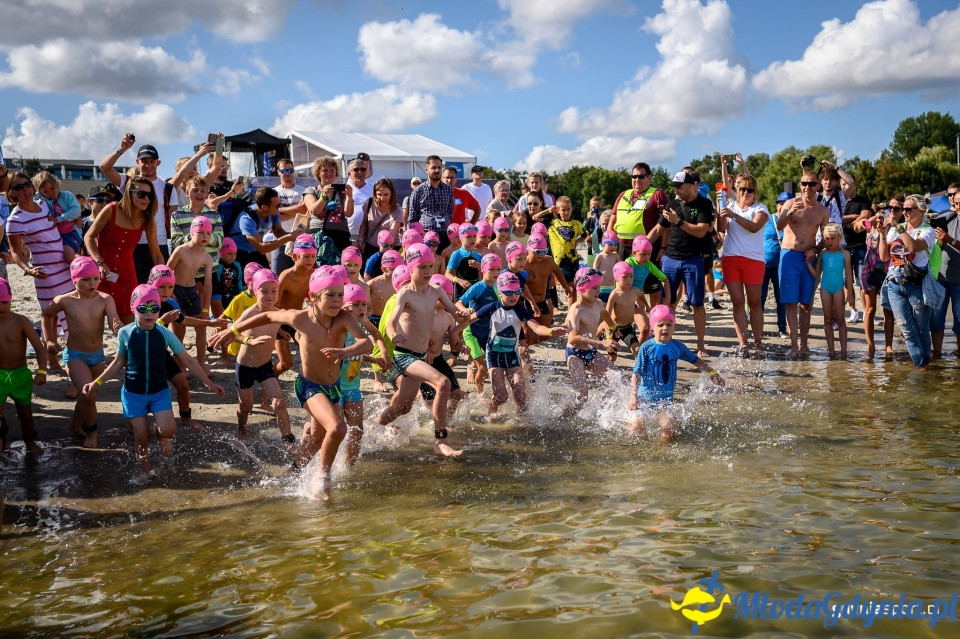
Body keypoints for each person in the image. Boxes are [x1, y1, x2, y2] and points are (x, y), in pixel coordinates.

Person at [210, 266, 372, 500]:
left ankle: (294, 470)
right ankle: (322, 480)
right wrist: (233, 329)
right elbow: (267, 315)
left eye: (340, 294)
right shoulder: (300, 318)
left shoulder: (344, 318)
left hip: (334, 387)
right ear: (313, 297)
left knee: (317, 438)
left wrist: (344, 351)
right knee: (338, 428)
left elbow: (366, 343)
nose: (337, 300)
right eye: (330, 295)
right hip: (309, 388)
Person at [83, 285, 224, 474]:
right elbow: (118, 363)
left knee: (168, 430)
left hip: (159, 392)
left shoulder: (164, 333)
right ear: (133, 308)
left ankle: (162, 437)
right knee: (142, 437)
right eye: (143, 308)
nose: (149, 313)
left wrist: (209, 383)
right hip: (134, 393)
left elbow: (187, 359)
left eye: (154, 308)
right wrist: (97, 382)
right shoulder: (126, 333)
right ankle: (144, 471)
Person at [372, 244, 469, 458]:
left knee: (403, 407)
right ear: (411, 268)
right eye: (422, 267)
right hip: (404, 355)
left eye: (430, 266)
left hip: (420, 355)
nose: (428, 271)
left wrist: (465, 313)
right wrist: (393, 334)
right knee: (442, 383)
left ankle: (372, 427)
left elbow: (454, 311)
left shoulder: (436, 291)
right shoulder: (405, 294)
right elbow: (391, 322)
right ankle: (440, 440)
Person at [41, 257, 122, 448]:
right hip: (75, 355)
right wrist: (49, 340)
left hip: (98, 355)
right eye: (86, 279)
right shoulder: (64, 300)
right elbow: (47, 315)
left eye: (95, 278)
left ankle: (75, 425)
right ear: (74, 280)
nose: (92, 283)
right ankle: (92, 432)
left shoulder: (104, 299)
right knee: (89, 393)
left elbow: (114, 321)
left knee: (88, 395)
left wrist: (119, 328)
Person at [467, 271, 567, 421]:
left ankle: (519, 422)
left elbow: (536, 327)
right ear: (499, 292)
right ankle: (494, 406)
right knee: (501, 396)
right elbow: (468, 320)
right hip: (494, 355)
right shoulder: (492, 307)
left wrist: (549, 331)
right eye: (509, 292)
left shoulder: (520, 309)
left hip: (511, 354)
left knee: (521, 395)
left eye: (517, 291)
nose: (514, 296)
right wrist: (456, 336)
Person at [628, 305, 724, 439]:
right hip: (644, 399)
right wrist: (633, 397)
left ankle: (662, 454)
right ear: (652, 328)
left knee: (669, 428)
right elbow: (636, 373)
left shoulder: (677, 347)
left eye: (669, 324)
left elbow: (696, 360)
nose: (665, 328)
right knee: (635, 429)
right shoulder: (646, 347)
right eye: (660, 324)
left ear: (674, 327)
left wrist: (713, 373)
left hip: (665, 401)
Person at [647, 171, 715, 356]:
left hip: (693, 259)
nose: (676, 190)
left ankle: (700, 346)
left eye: (679, 187)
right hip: (670, 258)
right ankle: (659, 341)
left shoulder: (704, 204)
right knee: (665, 302)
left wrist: (678, 221)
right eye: (674, 187)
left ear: (691, 185)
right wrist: (643, 244)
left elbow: (702, 231)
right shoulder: (673, 204)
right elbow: (659, 229)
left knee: (697, 303)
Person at [84, 176, 165, 325]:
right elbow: (89, 237)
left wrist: (163, 279)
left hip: (127, 276)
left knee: (127, 326)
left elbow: (156, 254)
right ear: (129, 193)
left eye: (150, 195)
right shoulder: (111, 209)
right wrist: (99, 263)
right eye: (141, 194)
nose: (146, 198)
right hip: (101, 275)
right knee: (94, 324)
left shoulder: (148, 220)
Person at [99, 136, 179, 281]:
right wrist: (122, 149)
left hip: (159, 243)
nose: (148, 165)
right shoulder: (129, 183)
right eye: (144, 161)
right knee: (132, 287)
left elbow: (173, 220)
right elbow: (105, 168)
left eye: (152, 161)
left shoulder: (167, 188)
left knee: (157, 288)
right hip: (132, 243)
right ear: (137, 162)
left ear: (158, 163)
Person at [5, 172, 75, 335]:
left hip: (65, 267)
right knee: (52, 316)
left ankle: (73, 352)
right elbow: (15, 252)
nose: (26, 189)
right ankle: (53, 359)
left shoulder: (44, 204)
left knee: (72, 311)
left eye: (28, 184)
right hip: (46, 272)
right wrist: (27, 269)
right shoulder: (15, 219)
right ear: (12, 192)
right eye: (19, 187)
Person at [232, 269, 293, 446]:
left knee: (279, 403)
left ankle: (288, 441)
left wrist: (282, 331)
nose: (270, 295)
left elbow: (278, 324)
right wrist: (249, 341)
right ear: (255, 291)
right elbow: (232, 333)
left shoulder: (277, 312)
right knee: (246, 407)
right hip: (245, 367)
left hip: (265, 365)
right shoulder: (250, 314)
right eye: (264, 291)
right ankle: (242, 426)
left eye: (274, 291)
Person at [878, 195, 937, 368]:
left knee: (921, 329)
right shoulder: (897, 228)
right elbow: (883, 257)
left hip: (917, 285)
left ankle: (923, 366)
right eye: (903, 209)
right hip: (895, 284)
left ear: (921, 211)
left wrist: (898, 228)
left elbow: (912, 247)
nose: (904, 212)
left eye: (908, 209)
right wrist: (882, 234)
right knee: (907, 330)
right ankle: (921, 366)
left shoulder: (928, 231)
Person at [776, 170, 830, 358]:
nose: (807, 187)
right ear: (800, 185)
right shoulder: (791, 203)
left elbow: (827, 237)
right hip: (789, 255)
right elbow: (779, 226)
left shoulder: (822, 210)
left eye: (811, 184)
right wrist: (789, 212)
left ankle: (805, 345)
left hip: (808, 257)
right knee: (791, 304)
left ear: (817, 186)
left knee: (806, 304)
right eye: (804, 183)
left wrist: (815, 249)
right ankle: (794, 346)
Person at [716, 174, 769, 356]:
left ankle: (759, 344)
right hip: (731, 259)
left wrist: (734, 216)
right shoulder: (729, 206)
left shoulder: (760, 208)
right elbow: (721, 228)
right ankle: (743, 344)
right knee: (737, 303)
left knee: (754, 303)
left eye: (750, 190)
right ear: (737, 191)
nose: (746, 193)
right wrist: (720, 208)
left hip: (753, 260)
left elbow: (754, 227)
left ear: (755, 193)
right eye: (742, 189)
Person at [338, 284, 388, 468]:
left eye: (364, 304)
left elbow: (372, 337)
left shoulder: (361, 323)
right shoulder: (339, 327)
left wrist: (375, 358)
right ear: (345, 308)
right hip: (334, 386)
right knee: (334, 430)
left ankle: (347, 467)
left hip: (352, 386)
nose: (362, 308)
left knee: (357, 429)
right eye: (356, 304)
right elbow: (341, 353)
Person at [0, 276, 47, 457]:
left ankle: (29, 441)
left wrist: (42, 371)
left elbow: (39, 348)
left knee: (26, 416)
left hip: (20, 375)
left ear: (10, 300)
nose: (1, 306)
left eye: (4, 302)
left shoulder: (20, 321)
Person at [563, 268, 619, 409]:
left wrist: (613, 327)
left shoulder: (598, 303)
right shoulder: (576, 310)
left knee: (617, 380)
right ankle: (561, 420)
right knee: (582, 396)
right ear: (582, 288)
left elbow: (605, 313)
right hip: (575, 355)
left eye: (599, 287)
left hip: (591, 352)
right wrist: (601, 343)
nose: (598, 291)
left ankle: (600, 414)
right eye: (594, 288)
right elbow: (572, 338)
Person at [853, 197, 899, 358]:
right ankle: (871, 345)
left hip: (887, 269)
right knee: (870, 309)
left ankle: (888, 346)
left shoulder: (897, 227)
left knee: (888, 311)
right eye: (888, 207)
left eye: (894, 208)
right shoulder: (873, 224)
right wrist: (874, 217)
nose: (890, 210)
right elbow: (857, 227)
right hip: (869, 268)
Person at [167, 216, 214, 370]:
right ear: (192, 232)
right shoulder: (181, 250)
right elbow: (167, 271)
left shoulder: (207, 257)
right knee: (179, 329)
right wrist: (170, 291)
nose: (205, 236)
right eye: (201, 232)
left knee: (201, 326)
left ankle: (201, 363)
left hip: (192, 291)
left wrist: (206, 309)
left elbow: (208, 284)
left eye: (208, 233)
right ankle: (179, 364)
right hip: (177, 290)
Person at [456, 253, 503, 393]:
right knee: (482, 366)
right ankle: (479, 392)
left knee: (493, 365)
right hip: (471, 331)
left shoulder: (499, 288)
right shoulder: (478, 287)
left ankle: (494, 391)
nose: (495, 273)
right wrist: (465, 310)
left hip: (488, 331)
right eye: (491, 269)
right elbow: (458, 302)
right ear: (482, 270)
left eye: (498, 269)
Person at [807, 224, 856, 358]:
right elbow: (816, 274)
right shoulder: (822, 254)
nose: (829, 242)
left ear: (839, 238)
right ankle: (831, 351)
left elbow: (849, 276)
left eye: (832, 238)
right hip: (825, 289)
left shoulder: (845, 254)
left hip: (839, 289)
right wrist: (807, 264)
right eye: (827, 239)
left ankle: (844, 351)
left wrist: (850, 295)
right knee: (827, 320)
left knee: (840, 320)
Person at [275, 234, 318, 376]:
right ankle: (267, 386)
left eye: (313, 256)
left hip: (297, 321)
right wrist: (280, 330)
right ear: (294, 257)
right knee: (286, 364)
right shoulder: (286, 277)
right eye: (306, 256)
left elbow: (314, 298)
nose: (310, 260)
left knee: (311, 350)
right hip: (280, 321)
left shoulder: (314, 275)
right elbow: (273, 306)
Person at [608, 163, 669, 261]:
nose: (637, 180)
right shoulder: (623, 194)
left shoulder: (658, 194)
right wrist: (609, 244)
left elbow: (666, 224)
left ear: (649, 178)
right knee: (623, 276)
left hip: (647, 249)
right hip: (622, 248)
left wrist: (663, 248)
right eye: (634, 176)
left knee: (645, 276)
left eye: (641, 176)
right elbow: (612, 220)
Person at [232, 187, 299, 268]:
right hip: (238, 254)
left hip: (255, 251)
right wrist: (289, 237)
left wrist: (295, 236)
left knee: (268, 278)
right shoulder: (247, 218)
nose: (280, 207)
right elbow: (262, 248)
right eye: (277, 205)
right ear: (264, 207)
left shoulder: (274, 212)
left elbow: (278, 232)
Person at [930, 186, 960, 358]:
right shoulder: (944, 217)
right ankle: (937, 355)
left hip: (959, 279)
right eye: (956, 203)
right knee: (936, 320)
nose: (958, 207)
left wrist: (949, 239)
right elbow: (934, 245)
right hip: (941, 276)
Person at [302, 157, 354, 253]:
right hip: (319, 233)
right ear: (318, 173)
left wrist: (349, 196)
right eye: (325, 170)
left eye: (331, 170)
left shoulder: (341, 191)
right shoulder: (311, 190)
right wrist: (323, 197)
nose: (329, 173)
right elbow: (314, 211)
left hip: (340, 234)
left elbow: (348, 213)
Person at [32, 171, 83, 263]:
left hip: (70, 233)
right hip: (53, 235)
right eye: (45, 191)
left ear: (57, 184)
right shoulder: (42, 200)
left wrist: (58, 219)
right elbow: (32, 201)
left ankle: (86, 264)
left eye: (52, 188)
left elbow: (76, 210)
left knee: (68, 256)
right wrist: (39, 194)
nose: (50, 193)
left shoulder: (66, 195)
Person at [407, 156, 455, 251]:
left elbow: (450, 212)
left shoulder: (448, 190)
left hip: (444, 237)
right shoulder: (418, 191)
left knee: (442, 264)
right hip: (426, 237)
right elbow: (413, 218)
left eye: (439, 167)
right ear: (426, 170)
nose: (437, 170)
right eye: (433, 167)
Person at [546, 196, 589, 299]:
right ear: (558, 210)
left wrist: (577, 241)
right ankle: (571, 312)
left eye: (568, 209)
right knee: (570, 287)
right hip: (560, 260)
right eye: (563, 210)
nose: (566, 212)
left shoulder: (576, 224)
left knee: (574, 287)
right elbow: (535, 218)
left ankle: (572, 311)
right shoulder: (553, 223)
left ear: (572, 209)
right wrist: (549, 210)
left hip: (573, 258)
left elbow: (584, 235)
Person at [604, 261, 647, 358]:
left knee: (637, 350)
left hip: (628, 328)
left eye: (631, 276)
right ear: (617, 278)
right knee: (612, 357)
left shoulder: (634, 291)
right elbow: (606, 316)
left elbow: (642, 296)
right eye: (625, 277)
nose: (629, 280)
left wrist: (647, 307)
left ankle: (638, 372)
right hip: (615, 329)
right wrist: (608, 337)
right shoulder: (615, 295)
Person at [762, 192, 790, 339]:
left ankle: (782, 328)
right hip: (763, 265)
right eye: (780, 203)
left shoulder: (793, 222)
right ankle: (757, 328)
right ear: (776, 205)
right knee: (760, 297)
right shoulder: (767, 219)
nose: (782, 206)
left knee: (781, 298)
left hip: (782, 267)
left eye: (786, 204)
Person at [272, 158, 307, 275]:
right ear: (278, 172)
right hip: (279, 240)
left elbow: (304, 211)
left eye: (290, 170)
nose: (287, 173)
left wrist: (281, 211)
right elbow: (274, 216)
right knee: (278, 275)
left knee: (299, 275)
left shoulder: (304, 191)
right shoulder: (273, 193)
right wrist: (297, 209)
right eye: (284, 171)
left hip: (299, 240)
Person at [359, 178, 404, 262]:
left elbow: (391, 235)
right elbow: (364, 224)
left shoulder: (397, 210)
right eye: (379, 194)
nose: (382, 198)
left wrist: (382, 252)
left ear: (392, 194)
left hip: (390, 248)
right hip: (371, 246)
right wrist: (360, 239)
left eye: (386, 194)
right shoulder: (369, 203)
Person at [445, 224, 483, 300]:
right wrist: (459, 281)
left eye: (474, 236)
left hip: (475, 291)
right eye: (468, 237)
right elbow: (447, 274)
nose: (472, 239)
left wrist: (480, 266)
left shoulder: (479, 256)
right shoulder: (457, 254)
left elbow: (483, 277)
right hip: (460, 291)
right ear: (461, 238)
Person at [593, 231, 621, 304]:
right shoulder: (600, 256)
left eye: (615, 245)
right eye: (610, 244)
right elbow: (594, 272)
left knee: (613, 308)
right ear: (603, 244)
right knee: (603, 308)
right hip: (602, 288)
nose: (613, 247)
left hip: (613, 288)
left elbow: (621, 268)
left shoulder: (615, 255)